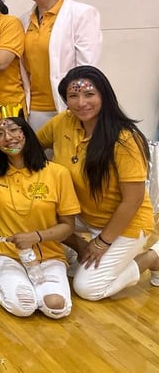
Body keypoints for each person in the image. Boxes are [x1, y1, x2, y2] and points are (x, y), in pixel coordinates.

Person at [37, 66, 159, 299]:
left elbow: (132, 201)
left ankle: (153, 258)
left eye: (89, 94)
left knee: (88, 289)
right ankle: (81, 249)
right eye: (73, 95)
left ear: (104, 95)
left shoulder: (125, 139)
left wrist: (102, 242)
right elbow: (32, 148)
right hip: (83, 215)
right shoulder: (62, 122)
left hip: (125, 224)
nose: (81, 102)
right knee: (35, 209)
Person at [0, 106, 80, 318]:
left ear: (26, 133)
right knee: (24, 306)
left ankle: (33, 287)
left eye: (14, 130)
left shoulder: (57, 173)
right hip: (6, 253)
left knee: (56, 307)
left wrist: (36, 237)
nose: (8, 138)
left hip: (48, 254)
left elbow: (68, 226)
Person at [18, 0, 102, 131]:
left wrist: (79, 103)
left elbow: (87, 68)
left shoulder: (81, 14)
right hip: (33, 110)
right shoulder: (23, 21)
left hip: (68, 107)